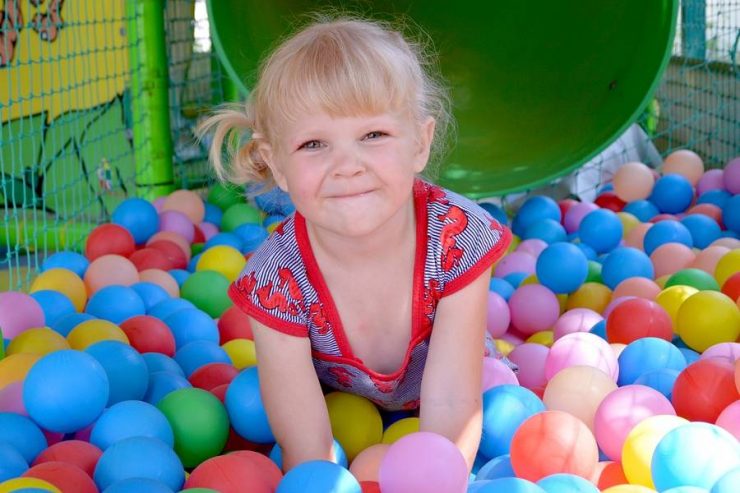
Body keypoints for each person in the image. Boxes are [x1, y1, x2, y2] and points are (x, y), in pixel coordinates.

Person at [198, 15, 512, 473]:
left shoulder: (456, 237)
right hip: (346, 410)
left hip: (462, 394)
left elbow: (452, 398)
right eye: (313, 144)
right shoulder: (276, 280)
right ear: (276, 164)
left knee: (502, 404)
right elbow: (306, 437)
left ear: (419, 144)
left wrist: (437, 476)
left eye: (373, 135)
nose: (347, 165)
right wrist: (322, 477)